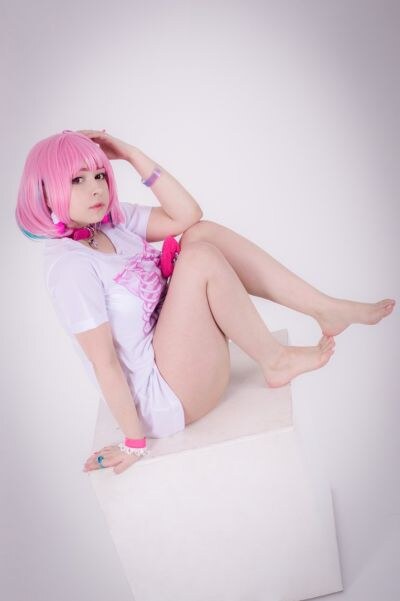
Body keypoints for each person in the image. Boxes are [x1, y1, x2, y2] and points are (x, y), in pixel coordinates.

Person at [15, 129, 396, 475]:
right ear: (45, 192)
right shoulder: (69, 267)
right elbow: (104, 362)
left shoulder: (111, 224)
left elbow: (188, 215)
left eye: (99, 175)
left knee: (201, 233)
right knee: (198, 258)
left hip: (182, 360)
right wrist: (133, 442)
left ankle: (323, 308)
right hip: (163, 400)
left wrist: (132, 155)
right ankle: (275, 360)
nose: (96, 189)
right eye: (77, 180)